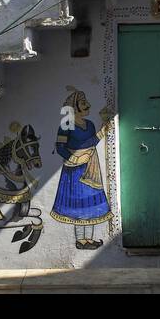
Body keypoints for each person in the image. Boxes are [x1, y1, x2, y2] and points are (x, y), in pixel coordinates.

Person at [50, 88, 112, 249]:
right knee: (78, 205)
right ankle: (80, 240)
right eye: (83, 103)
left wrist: (101, 132)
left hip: (90, 166)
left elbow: (90, 142)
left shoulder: (90, 125)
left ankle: (88, 240)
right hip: (74, 170)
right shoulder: (66, 125)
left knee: (90, 204)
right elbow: (60, 147)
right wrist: (75, 159)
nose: (88, 105)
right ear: (74, 106)